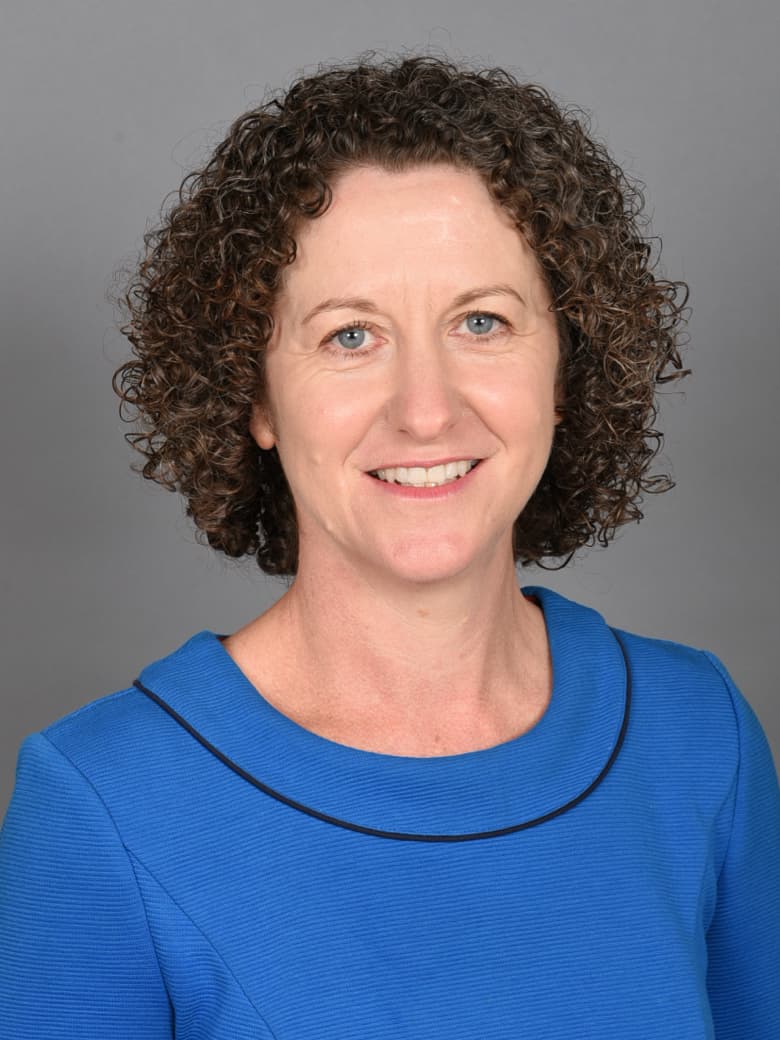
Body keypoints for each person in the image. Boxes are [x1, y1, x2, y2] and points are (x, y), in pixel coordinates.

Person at [1, 53, 778, 1039]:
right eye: (350, 336)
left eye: (482, 321)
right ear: (255, 397)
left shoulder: (702, 737)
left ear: (565, 368)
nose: (425, 409)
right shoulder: (100, 803)